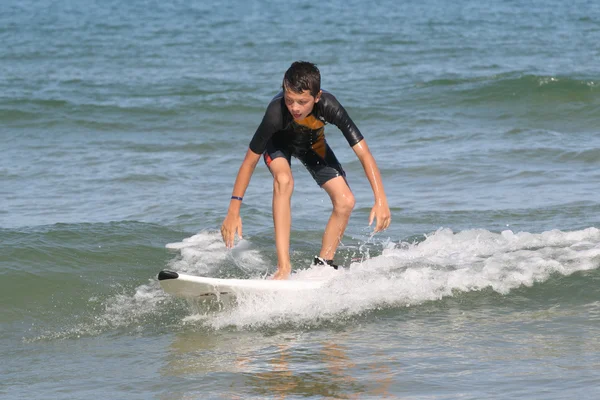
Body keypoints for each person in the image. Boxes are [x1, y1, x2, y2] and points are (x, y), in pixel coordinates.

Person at [221, 61, 391, 279]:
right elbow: (248, 162)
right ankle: (283, 268)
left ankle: (324, 263)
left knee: (346, 201)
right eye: (290, 100)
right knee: (284, 180)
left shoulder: (330, 107)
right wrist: (233, 211)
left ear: (317, 96)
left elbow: (364, 153)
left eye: (302, 102)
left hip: (313, 145)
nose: (295, 108)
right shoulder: (275, 112)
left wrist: (380, 199)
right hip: (278, 146)